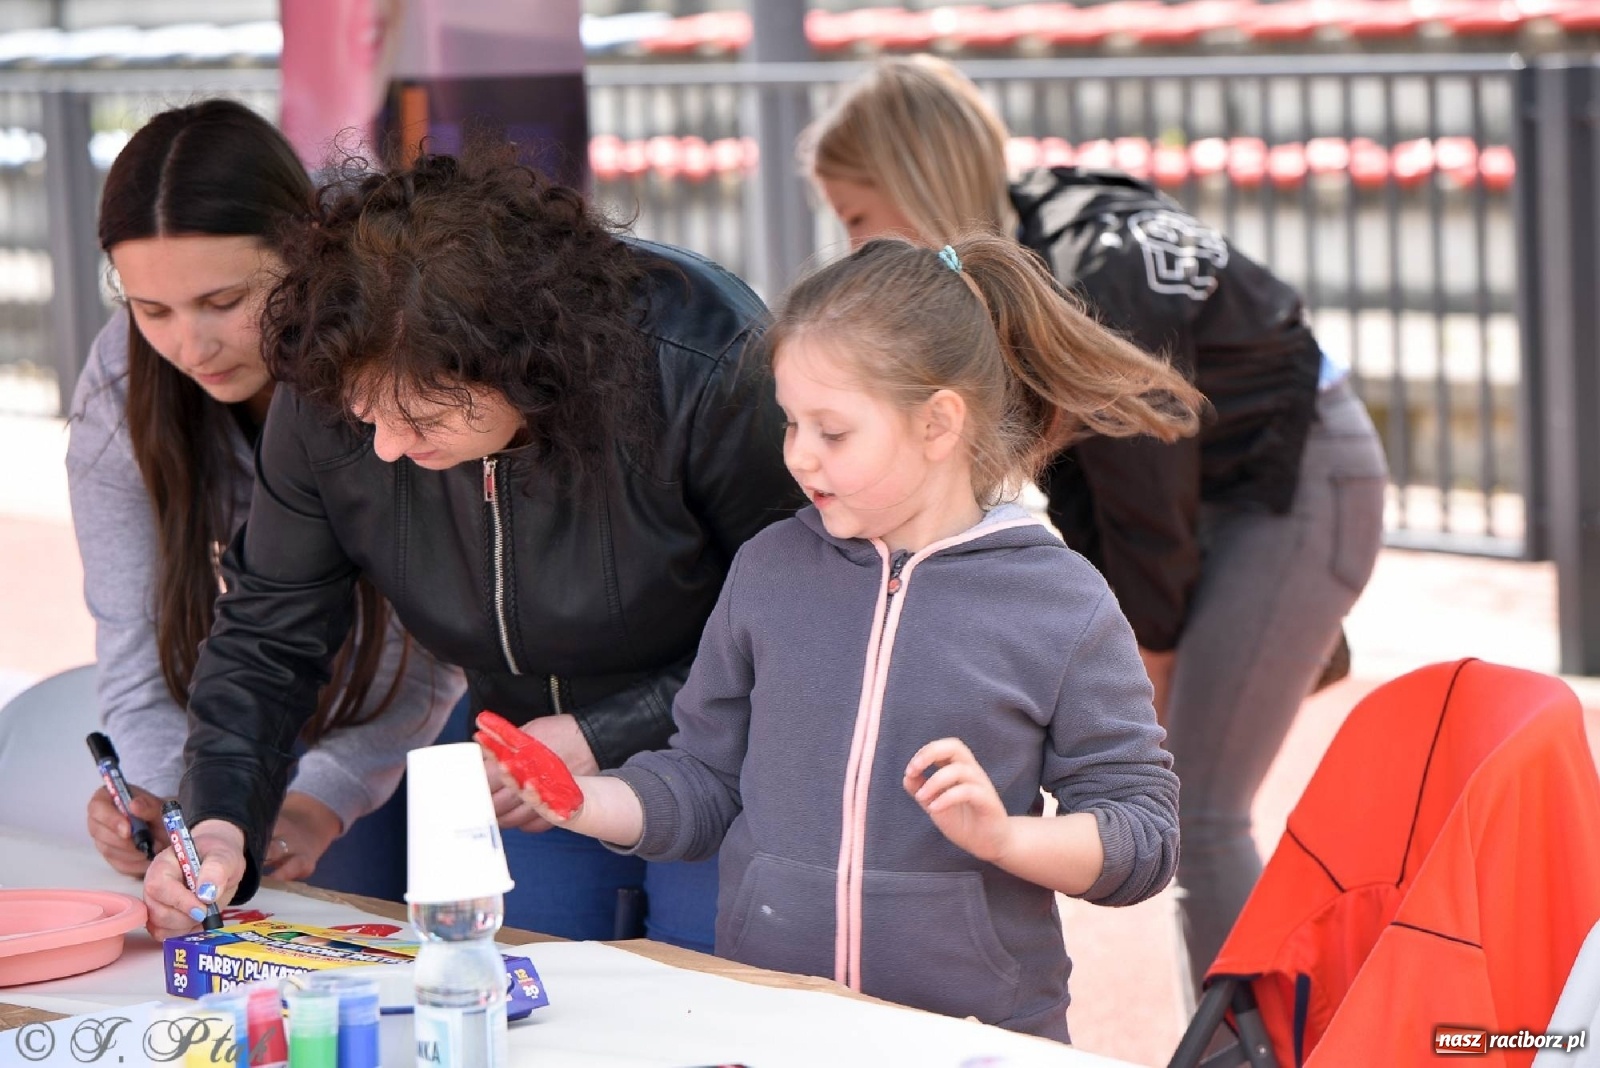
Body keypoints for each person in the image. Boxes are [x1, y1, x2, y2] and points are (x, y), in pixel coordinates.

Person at [484, 234, 1192, 1042]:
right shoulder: (769, 570)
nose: (797, 457)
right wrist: (583, 802)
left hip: (975, 1037)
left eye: (833, 431)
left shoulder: (1061, 601)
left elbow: (1143, 833)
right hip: (774, 1024)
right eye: (790, 423)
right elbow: (706, 782)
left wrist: (1006, 837)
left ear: (938, 424)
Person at [799, 55, 1391, 990]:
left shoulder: (1085, 272)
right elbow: (1086, 487)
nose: (854, 244)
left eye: (858, 216)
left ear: (917, 184)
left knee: (1198, 806)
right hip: (1219, 485)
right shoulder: (1026, 245)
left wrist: (1144, 659)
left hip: (1297, 479)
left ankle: (1256, 1044)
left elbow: (1145, 505)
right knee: (1189, 772)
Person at [139, 136, 800, 949]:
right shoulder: (330, 380)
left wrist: (603, 734)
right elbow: (267, 632)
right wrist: (218, 819)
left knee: (711, 998)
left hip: (723, 758)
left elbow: (800, 620)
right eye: (364, 414)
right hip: (515, 759)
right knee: (534, 997)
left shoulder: (703, 363)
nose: (383, 447)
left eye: (420, 417)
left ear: (526, 366)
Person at [66, 99, 464, 898]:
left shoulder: (394, 356)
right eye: (152, 311)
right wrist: (164, 800)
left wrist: (323, 798)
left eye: (223, 302)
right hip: (245, 732)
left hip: (430, 717)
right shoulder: (119, 384)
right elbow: (133, 632)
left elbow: (433, 640)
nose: (189, 345)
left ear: (305, 251)